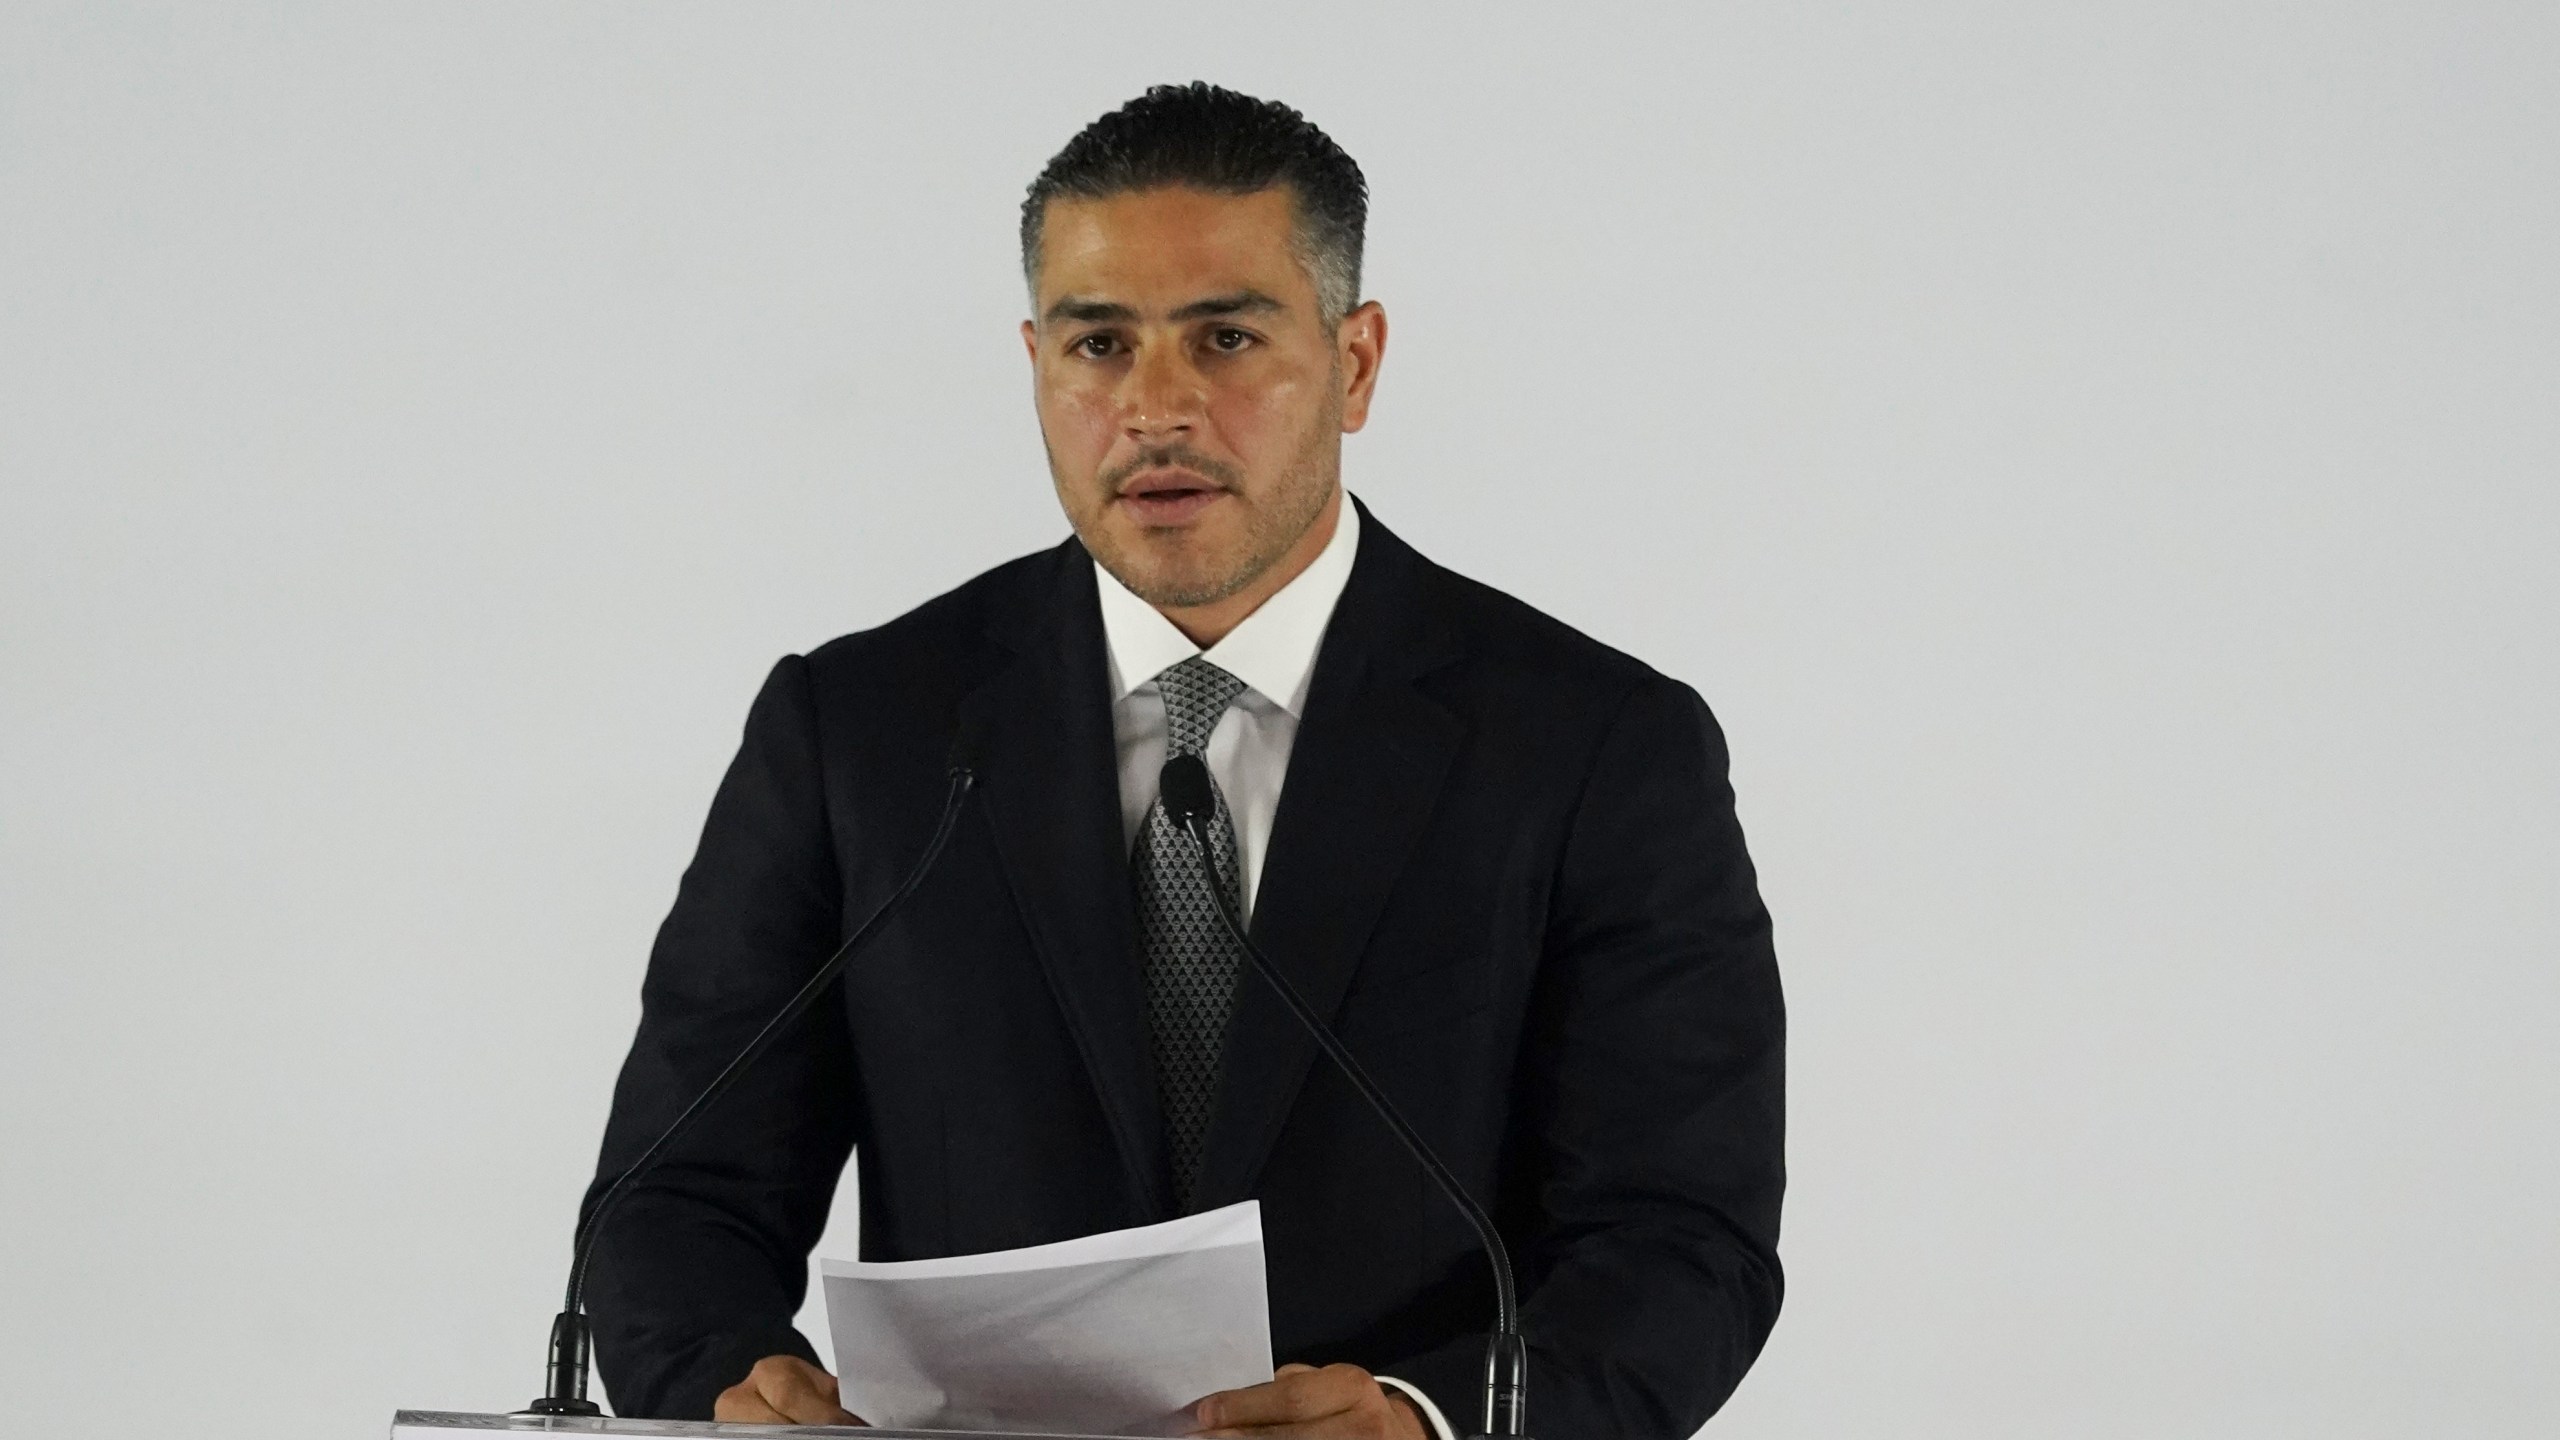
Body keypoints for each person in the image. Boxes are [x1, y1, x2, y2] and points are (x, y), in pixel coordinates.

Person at [581, 82, 1785, 1440]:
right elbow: (672, 1206)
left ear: (1356, 362)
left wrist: (1427, 1420)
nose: (1157, 407)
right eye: (1100, 345)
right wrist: (731, 1391)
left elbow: (1683, 1237)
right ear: (1035, 362)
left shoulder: (1592, 746)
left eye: (1224, 337)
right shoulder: (862, 731)